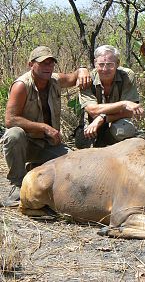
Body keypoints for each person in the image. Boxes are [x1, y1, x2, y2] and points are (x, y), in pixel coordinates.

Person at [1, 46, 91, 207]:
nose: (48, 67)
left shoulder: (55, 80)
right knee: (13, 134)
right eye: (43, 63)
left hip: (48, 144)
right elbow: (10, 119)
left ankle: (35, 168)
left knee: (76, 164)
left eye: (51, 63)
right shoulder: (21, 85)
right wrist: (44, 127)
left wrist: (83, 69)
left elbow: (74, 77)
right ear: (31, 64)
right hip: (25, 145)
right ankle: (17, 184)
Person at [76, 45, 144, 148]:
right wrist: (123, 104)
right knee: (83, 143)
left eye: (110, 64)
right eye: (101, 64)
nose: (105, 69)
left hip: (114, 122)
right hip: (92, 122)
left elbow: (129, 112)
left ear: (117, 64)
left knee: (124, 129)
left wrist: (103, 118)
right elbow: (93, 110)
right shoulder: (86, 79)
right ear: (95, 63)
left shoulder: (127, 76)